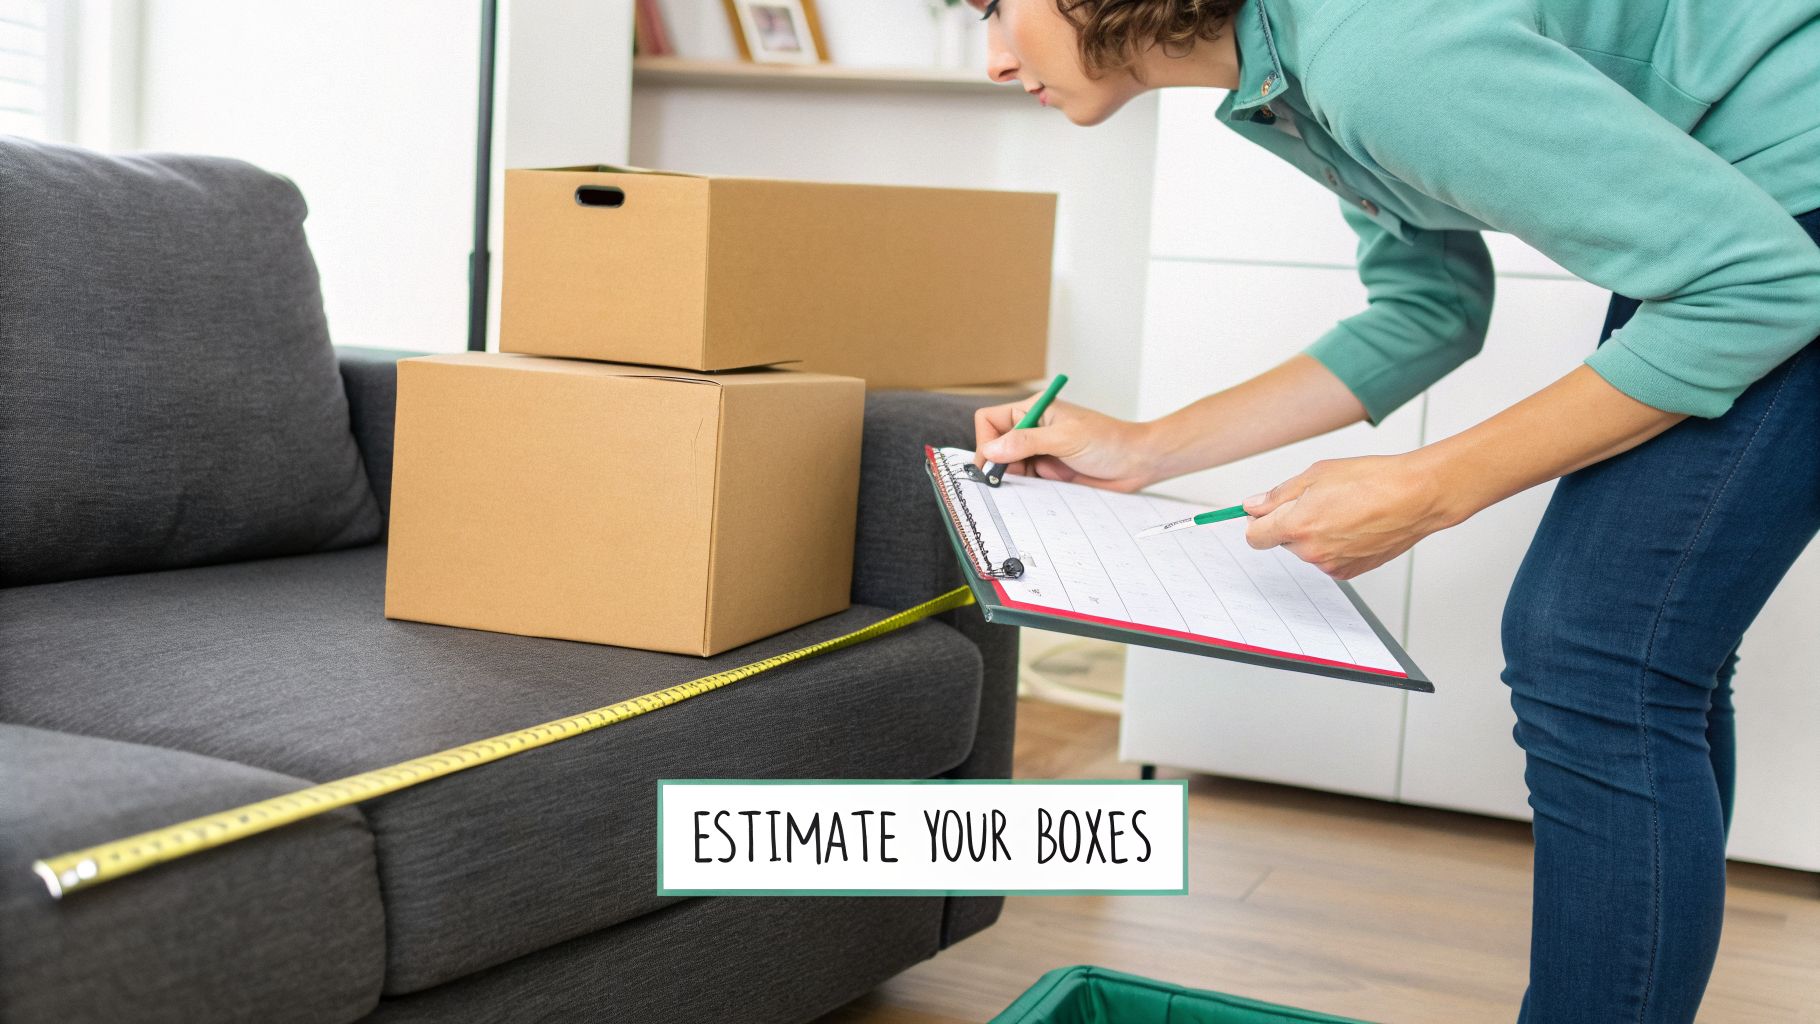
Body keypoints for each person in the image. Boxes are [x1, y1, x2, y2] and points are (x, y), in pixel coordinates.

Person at [962, 0, 1820, 1020]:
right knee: (1636, 649)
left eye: (990, 6)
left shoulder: (1371, 54)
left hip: (1770, 225)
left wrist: (1428, 485)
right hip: (1741, 217)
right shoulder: (1282, 72)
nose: (993, 59)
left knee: (1591, 649)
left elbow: (1757, 287)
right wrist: (1146, 448)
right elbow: (1428, 306)